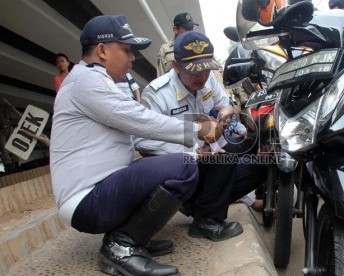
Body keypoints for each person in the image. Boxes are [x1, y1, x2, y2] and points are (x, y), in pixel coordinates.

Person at [50, 15, 222, 276]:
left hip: (102, 189)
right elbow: (140, 120)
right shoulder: (85, 81)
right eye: (127, 50)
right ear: (103, 50)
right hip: (86, 200)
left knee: (167, 164)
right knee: (182, 167)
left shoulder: (95, 80)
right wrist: (198, 129)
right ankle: (121, 246)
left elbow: (137, 131)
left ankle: (136, 237)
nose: (132, 58)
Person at [135, 31, 267, 242]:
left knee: (261, 165)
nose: (202, 76)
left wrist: (221, 123)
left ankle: (202, 205)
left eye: (206, 69)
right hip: (178, 164)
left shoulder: (208, 81)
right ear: (176, 66)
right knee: (224, 156)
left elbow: (225, 106)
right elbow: (141, 140)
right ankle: (207, 220)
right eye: (194, 71)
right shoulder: (157, 94)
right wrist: (191, 151)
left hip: (208, 160)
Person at [156, 12, 199, 77]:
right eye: (187, 28)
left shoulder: (198, 45)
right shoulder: (165, 49)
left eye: (191, 28)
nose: (190, 32)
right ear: (175, 29)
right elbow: (160, 76)